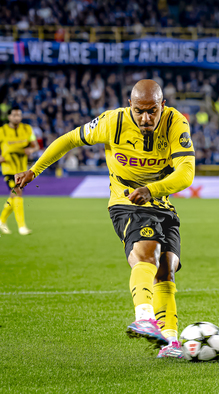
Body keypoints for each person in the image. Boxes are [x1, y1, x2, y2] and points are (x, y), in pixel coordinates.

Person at [14, 80, 196, 359]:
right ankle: (144, 316)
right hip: (126, 202)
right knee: (147, 252)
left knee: (167, 269)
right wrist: (34, 171)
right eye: (139, 111)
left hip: (160, 201)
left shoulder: (176, 123)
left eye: (152, 111)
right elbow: (70, 139)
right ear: (129, 105)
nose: (145, 118)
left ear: (163, 106)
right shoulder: (112, 121)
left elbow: (186, 173)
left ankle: (170, 341)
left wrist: (152, 190)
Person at [0, 106, 39, 235]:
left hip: (22, 170)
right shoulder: (2, 131)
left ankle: (1, 220)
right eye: (14, 115)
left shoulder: (27, 129)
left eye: (19, 115)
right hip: (8, 168)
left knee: (14, 195)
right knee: (17, 192)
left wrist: (31, 150)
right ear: (9, 117)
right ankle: (22, 227)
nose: (17, 117)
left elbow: (36, 146)